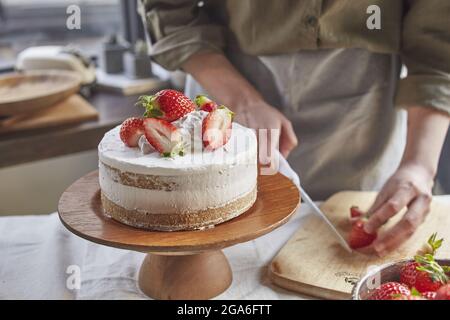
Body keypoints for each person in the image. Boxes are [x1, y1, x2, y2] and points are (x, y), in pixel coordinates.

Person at [138, 0, 450, 255]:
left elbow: (437, 42)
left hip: (367, 115)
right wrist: (244, 102)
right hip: (229, 90)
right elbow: (168, 9)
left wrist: (418, 165)